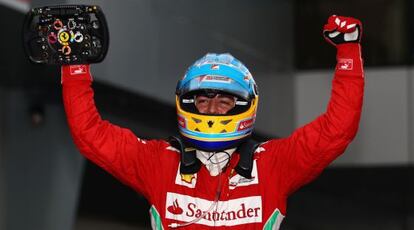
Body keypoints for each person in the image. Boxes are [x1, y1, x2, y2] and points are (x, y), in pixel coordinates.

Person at [61, 15, 364, 229]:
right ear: (187, 103)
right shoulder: (159, 164)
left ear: (246, 106)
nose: (212, 110)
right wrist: (75, 68)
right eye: (203, 101)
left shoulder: (272, 165)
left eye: (224, 101)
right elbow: (90, 135)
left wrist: (348, 53)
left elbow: (336, 131)